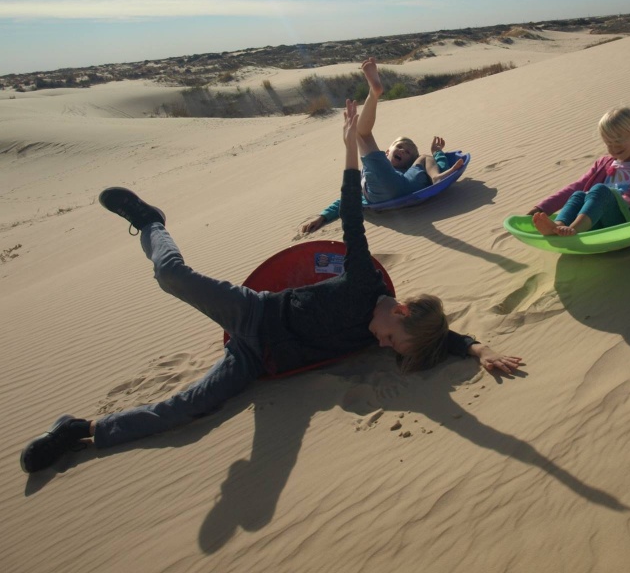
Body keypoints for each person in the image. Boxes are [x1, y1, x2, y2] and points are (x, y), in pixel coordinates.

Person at [20, 99, 521, 474]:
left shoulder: (401, 331)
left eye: (390, 348)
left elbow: (443, 339)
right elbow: (352, 215)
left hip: (258, 360)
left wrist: (480, 351)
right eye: (391, 338)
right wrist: (350, 149)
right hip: (254, 313)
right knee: (171, 276)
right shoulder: (363, 283)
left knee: (189, 407)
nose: (383, 346)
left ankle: (81, 431)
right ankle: (152, 223)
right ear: (401, 310)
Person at [300, 58, 464, 234]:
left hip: (404, 185)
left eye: (408, 152)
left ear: (409, 163)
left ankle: (374, 93)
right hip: (384, 189)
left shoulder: (408, 171)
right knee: (360, 134)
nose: (403, 150)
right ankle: (374, 93)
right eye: (399, 146)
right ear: (387, 152)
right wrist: (323, 216)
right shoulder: (375, 170)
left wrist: (437, 153)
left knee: (365, 136)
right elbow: (347, 198)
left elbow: (441, 166)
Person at [527, 106, 630, 236]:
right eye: (609, 143)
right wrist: (543, 207)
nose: (614, 147)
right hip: (598, 218)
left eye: (618, 140)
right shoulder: (604, 163)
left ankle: (573, 230)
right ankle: (558, 226)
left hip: (627, 219)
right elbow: (576, 186)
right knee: (579, 194)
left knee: (600, 190)